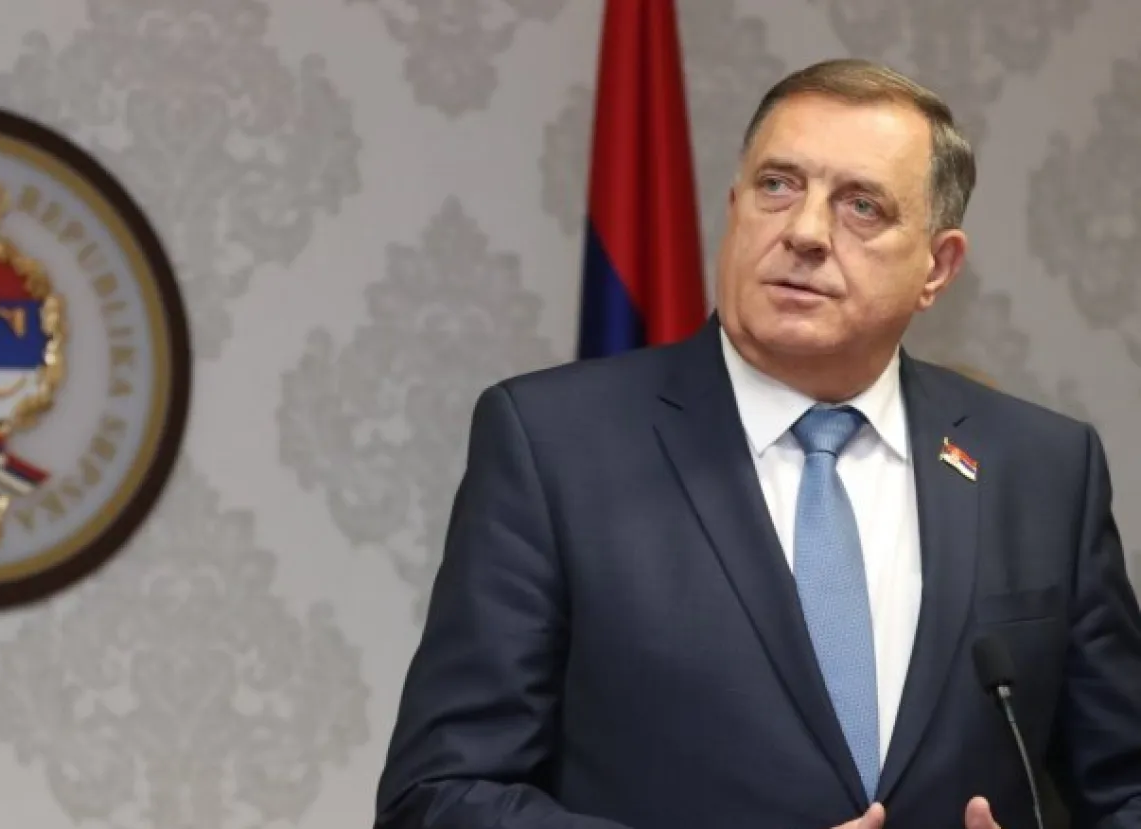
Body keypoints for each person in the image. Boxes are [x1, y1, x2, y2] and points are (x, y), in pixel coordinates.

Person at [372, 58, 1141, 829]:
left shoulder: (1042, 469)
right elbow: (437, 796)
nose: (803, 232)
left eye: (861, 205)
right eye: (777, 185)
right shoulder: (554, 445)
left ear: (936, 268)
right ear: (734, 208)